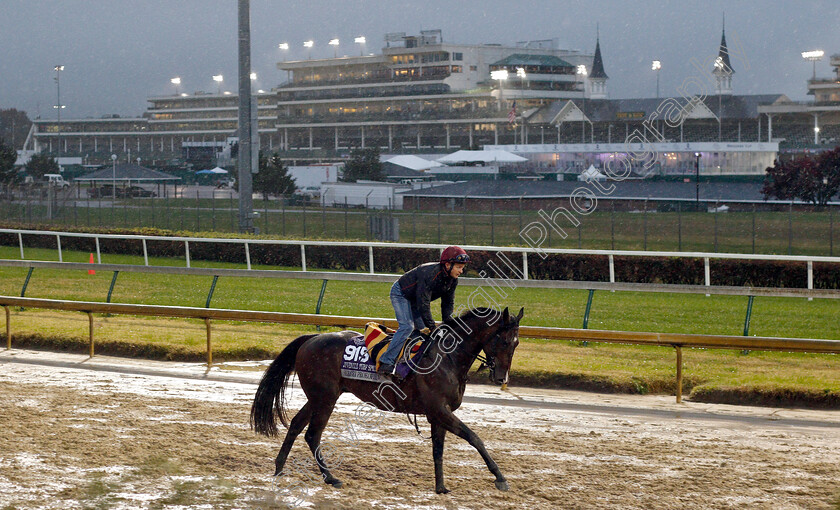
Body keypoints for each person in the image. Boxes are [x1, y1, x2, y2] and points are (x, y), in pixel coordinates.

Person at [377, 246, 469, 378]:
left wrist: (449, 325)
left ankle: (407, 364)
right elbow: (423, 304)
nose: (461, 271)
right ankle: (386, 362)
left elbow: (447, 304)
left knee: (420, 334)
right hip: (401, 294)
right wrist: (432, 327)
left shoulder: (452, 280)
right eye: (459, 267)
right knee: (407, 326)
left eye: (462, 267)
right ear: (448, 264)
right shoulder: (429, 274)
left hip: (416, 300)